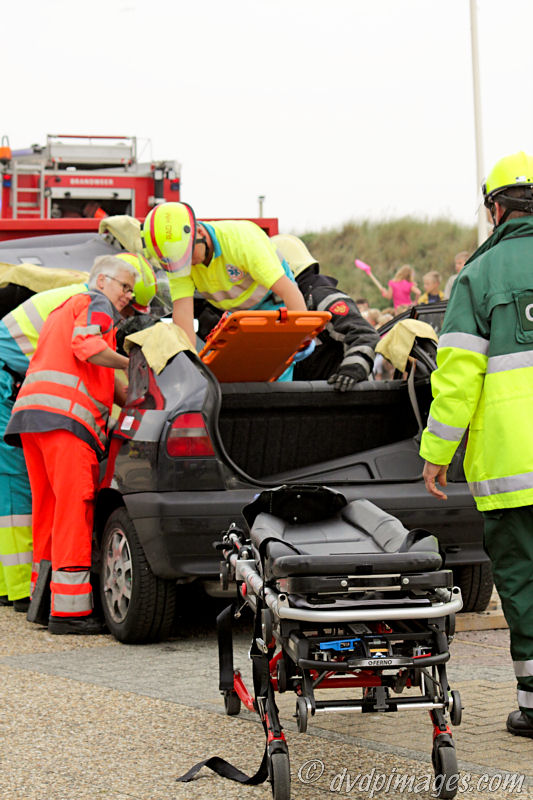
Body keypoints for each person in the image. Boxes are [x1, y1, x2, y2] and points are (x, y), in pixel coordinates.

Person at [419, 150, 533, 739]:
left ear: (495, 208)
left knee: (521, 578)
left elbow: (458, 375)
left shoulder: (480, 276)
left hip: (514, 469)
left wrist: (437, 452)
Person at [4, 254, 154, 634]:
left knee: (49, 511)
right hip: (66, 425)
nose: (127, 296)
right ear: (102, 280)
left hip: (33, 420)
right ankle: (70, 613)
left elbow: (98, 376)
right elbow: (86, 347)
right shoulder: (95, 303)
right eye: (124, 286)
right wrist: (135, 362)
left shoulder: (63, 308)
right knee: (74, 510)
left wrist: (137, 396)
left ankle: (44, 602)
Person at [141, 203, 307, 351]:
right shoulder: (179, 262)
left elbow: (289, 291)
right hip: (237, 314)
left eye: (188, 257)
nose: (186, 265)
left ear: (199, 232)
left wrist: (300, 336)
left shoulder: (242, 242)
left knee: (273, 366)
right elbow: (183, 320)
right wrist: (189, 363)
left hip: (273, 304)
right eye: (179, 262)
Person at [271, 235, 379, 389]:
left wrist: (350, 371)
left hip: (347, 399)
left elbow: (364, 336)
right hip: (314, 402)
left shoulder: (323, 297)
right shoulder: (288, 303)